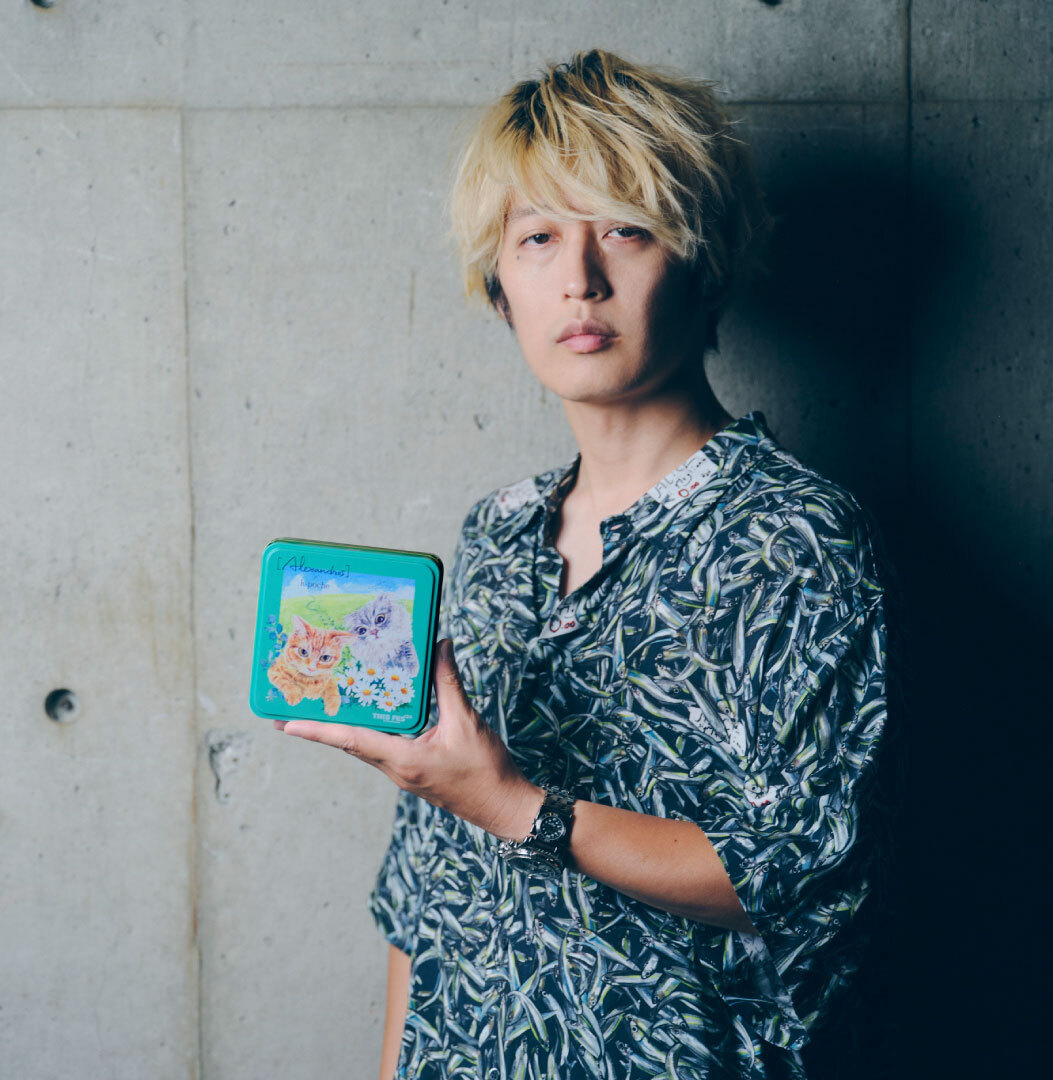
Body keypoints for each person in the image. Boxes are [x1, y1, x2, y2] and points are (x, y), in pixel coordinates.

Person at [276, 49, 889, 1080]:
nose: (581, 278)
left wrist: (515, 805)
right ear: (500, 288)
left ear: (702, 264)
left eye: (627, 230)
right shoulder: (496, 534)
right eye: (539, 237)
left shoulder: (792, 534)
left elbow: (804, 867)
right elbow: (427, 880)